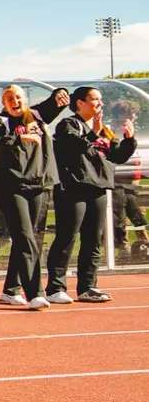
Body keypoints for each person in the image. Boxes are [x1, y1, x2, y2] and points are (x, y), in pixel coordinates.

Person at [45, 87, 137, 303]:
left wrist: (129, 140)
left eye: (101, 100)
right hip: (72, 190)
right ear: (80, 103)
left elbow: (117, 156)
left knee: (93, 240)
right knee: (67, 238)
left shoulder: (103, 129)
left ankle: (88, 287)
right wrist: (93, 132)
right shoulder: (68, 125)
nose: (100, 104)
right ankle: (55, 288)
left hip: (97, 189)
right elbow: (76, 147)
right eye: (95, 99)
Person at [0, 84, 57, 309]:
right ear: (3, 102)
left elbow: (57, 102)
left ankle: (10, 289)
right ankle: (35, 292)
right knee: (25, 237)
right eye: (8, 98)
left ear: (25, 99)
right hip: (12, 188)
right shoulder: (0, 122)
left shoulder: (37, 117)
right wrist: (20, 138)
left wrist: (60, 93)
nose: (14, 101)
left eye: (17, 96)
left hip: (39, 185)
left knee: (26, 238)